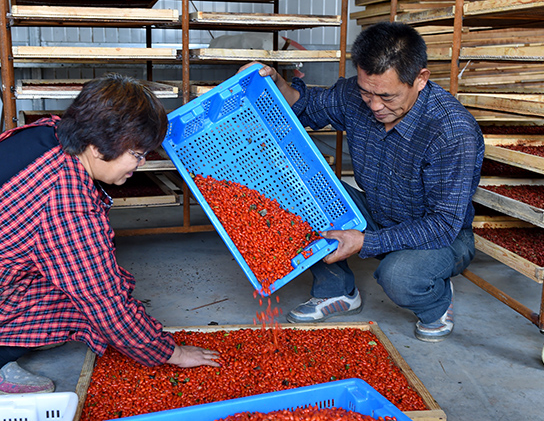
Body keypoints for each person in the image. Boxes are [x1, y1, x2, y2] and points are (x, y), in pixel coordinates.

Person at [244, 21, 484, 342]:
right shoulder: (358, 96)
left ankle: (436, 300)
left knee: (399, 276)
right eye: (366, 92)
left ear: (420, 80)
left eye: (386, 96)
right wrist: (275, 82)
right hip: (378, 212)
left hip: (442, 236)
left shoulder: (452, 132)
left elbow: (442, 224)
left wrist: (364, 242)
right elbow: (305, 105)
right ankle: (337, 291)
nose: (374, 106)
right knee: (298, 192)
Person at [0, 73, 220, 394]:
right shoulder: (65, 199)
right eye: (136, 154)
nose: (140, 164)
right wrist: (170, 353)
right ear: (97, 145)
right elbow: (104, 299)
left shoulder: (48, 132)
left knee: (104, 279)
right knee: (94, 303)